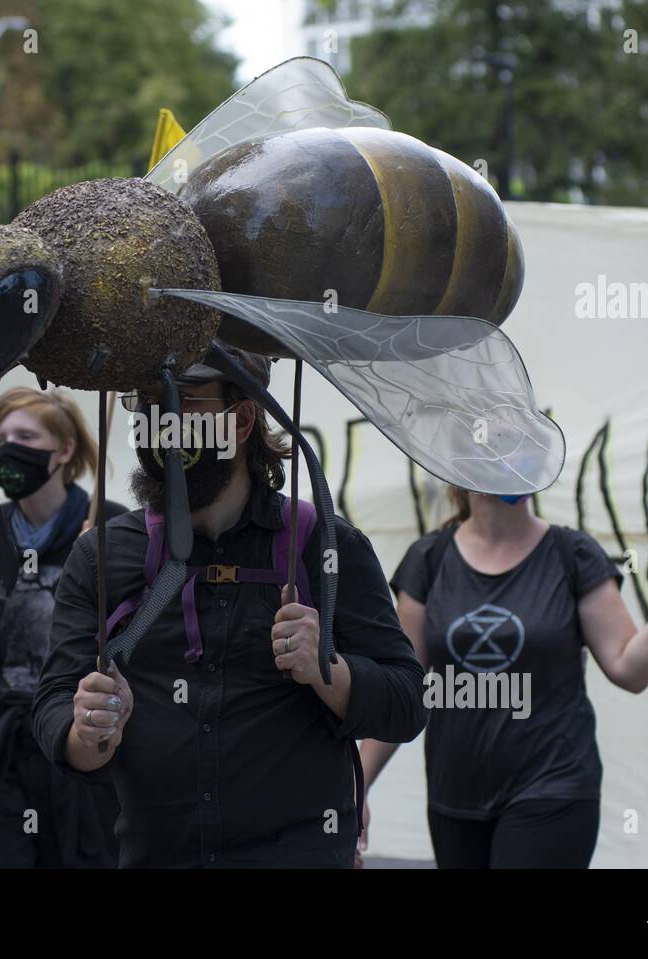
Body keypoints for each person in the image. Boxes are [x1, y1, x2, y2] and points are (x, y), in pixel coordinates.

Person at [31, 345, 428, 868]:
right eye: (147, 400)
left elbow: (406, 703)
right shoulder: (104, 553)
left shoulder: (323, 546)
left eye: (182, 399)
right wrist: (86, 730)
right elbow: (54, 703)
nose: (161, 419)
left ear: (241, 420)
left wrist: (326, 668)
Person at [362, 487, 648, 869]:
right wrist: (356, 784)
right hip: (454, 798)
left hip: (554, 789)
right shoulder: (429, 559)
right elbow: (403, 694)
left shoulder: (573, 554)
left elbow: (630, 668)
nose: (509, 456)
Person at [0, 387, 124, 868]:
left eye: (25, 436)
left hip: (82, 742)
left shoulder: (107, 526)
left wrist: (91, 565)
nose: (7, 448)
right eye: (0, 439)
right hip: (9, 740)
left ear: (64, 450)